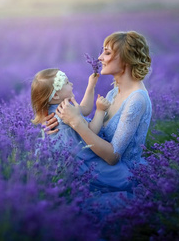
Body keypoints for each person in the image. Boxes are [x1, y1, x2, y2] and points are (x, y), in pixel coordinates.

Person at [43, 31, 152, 209]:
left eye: (107, 53)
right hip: (100, 172)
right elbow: (95, 132)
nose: (100, 57)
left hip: (121, 179)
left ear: (126, 59)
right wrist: (61, 124)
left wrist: (76, 123)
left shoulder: (136, 99)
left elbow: (113, 157)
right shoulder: (113, 92)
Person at [31, 68, 110, 153]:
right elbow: (92, 131)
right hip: (80, 158)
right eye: (67, 83)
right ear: (56, 95)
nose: (71, 84)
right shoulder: (63, 115)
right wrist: (100, 111)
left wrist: (91, 86)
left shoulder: (60, 108)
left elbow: (85, 108)